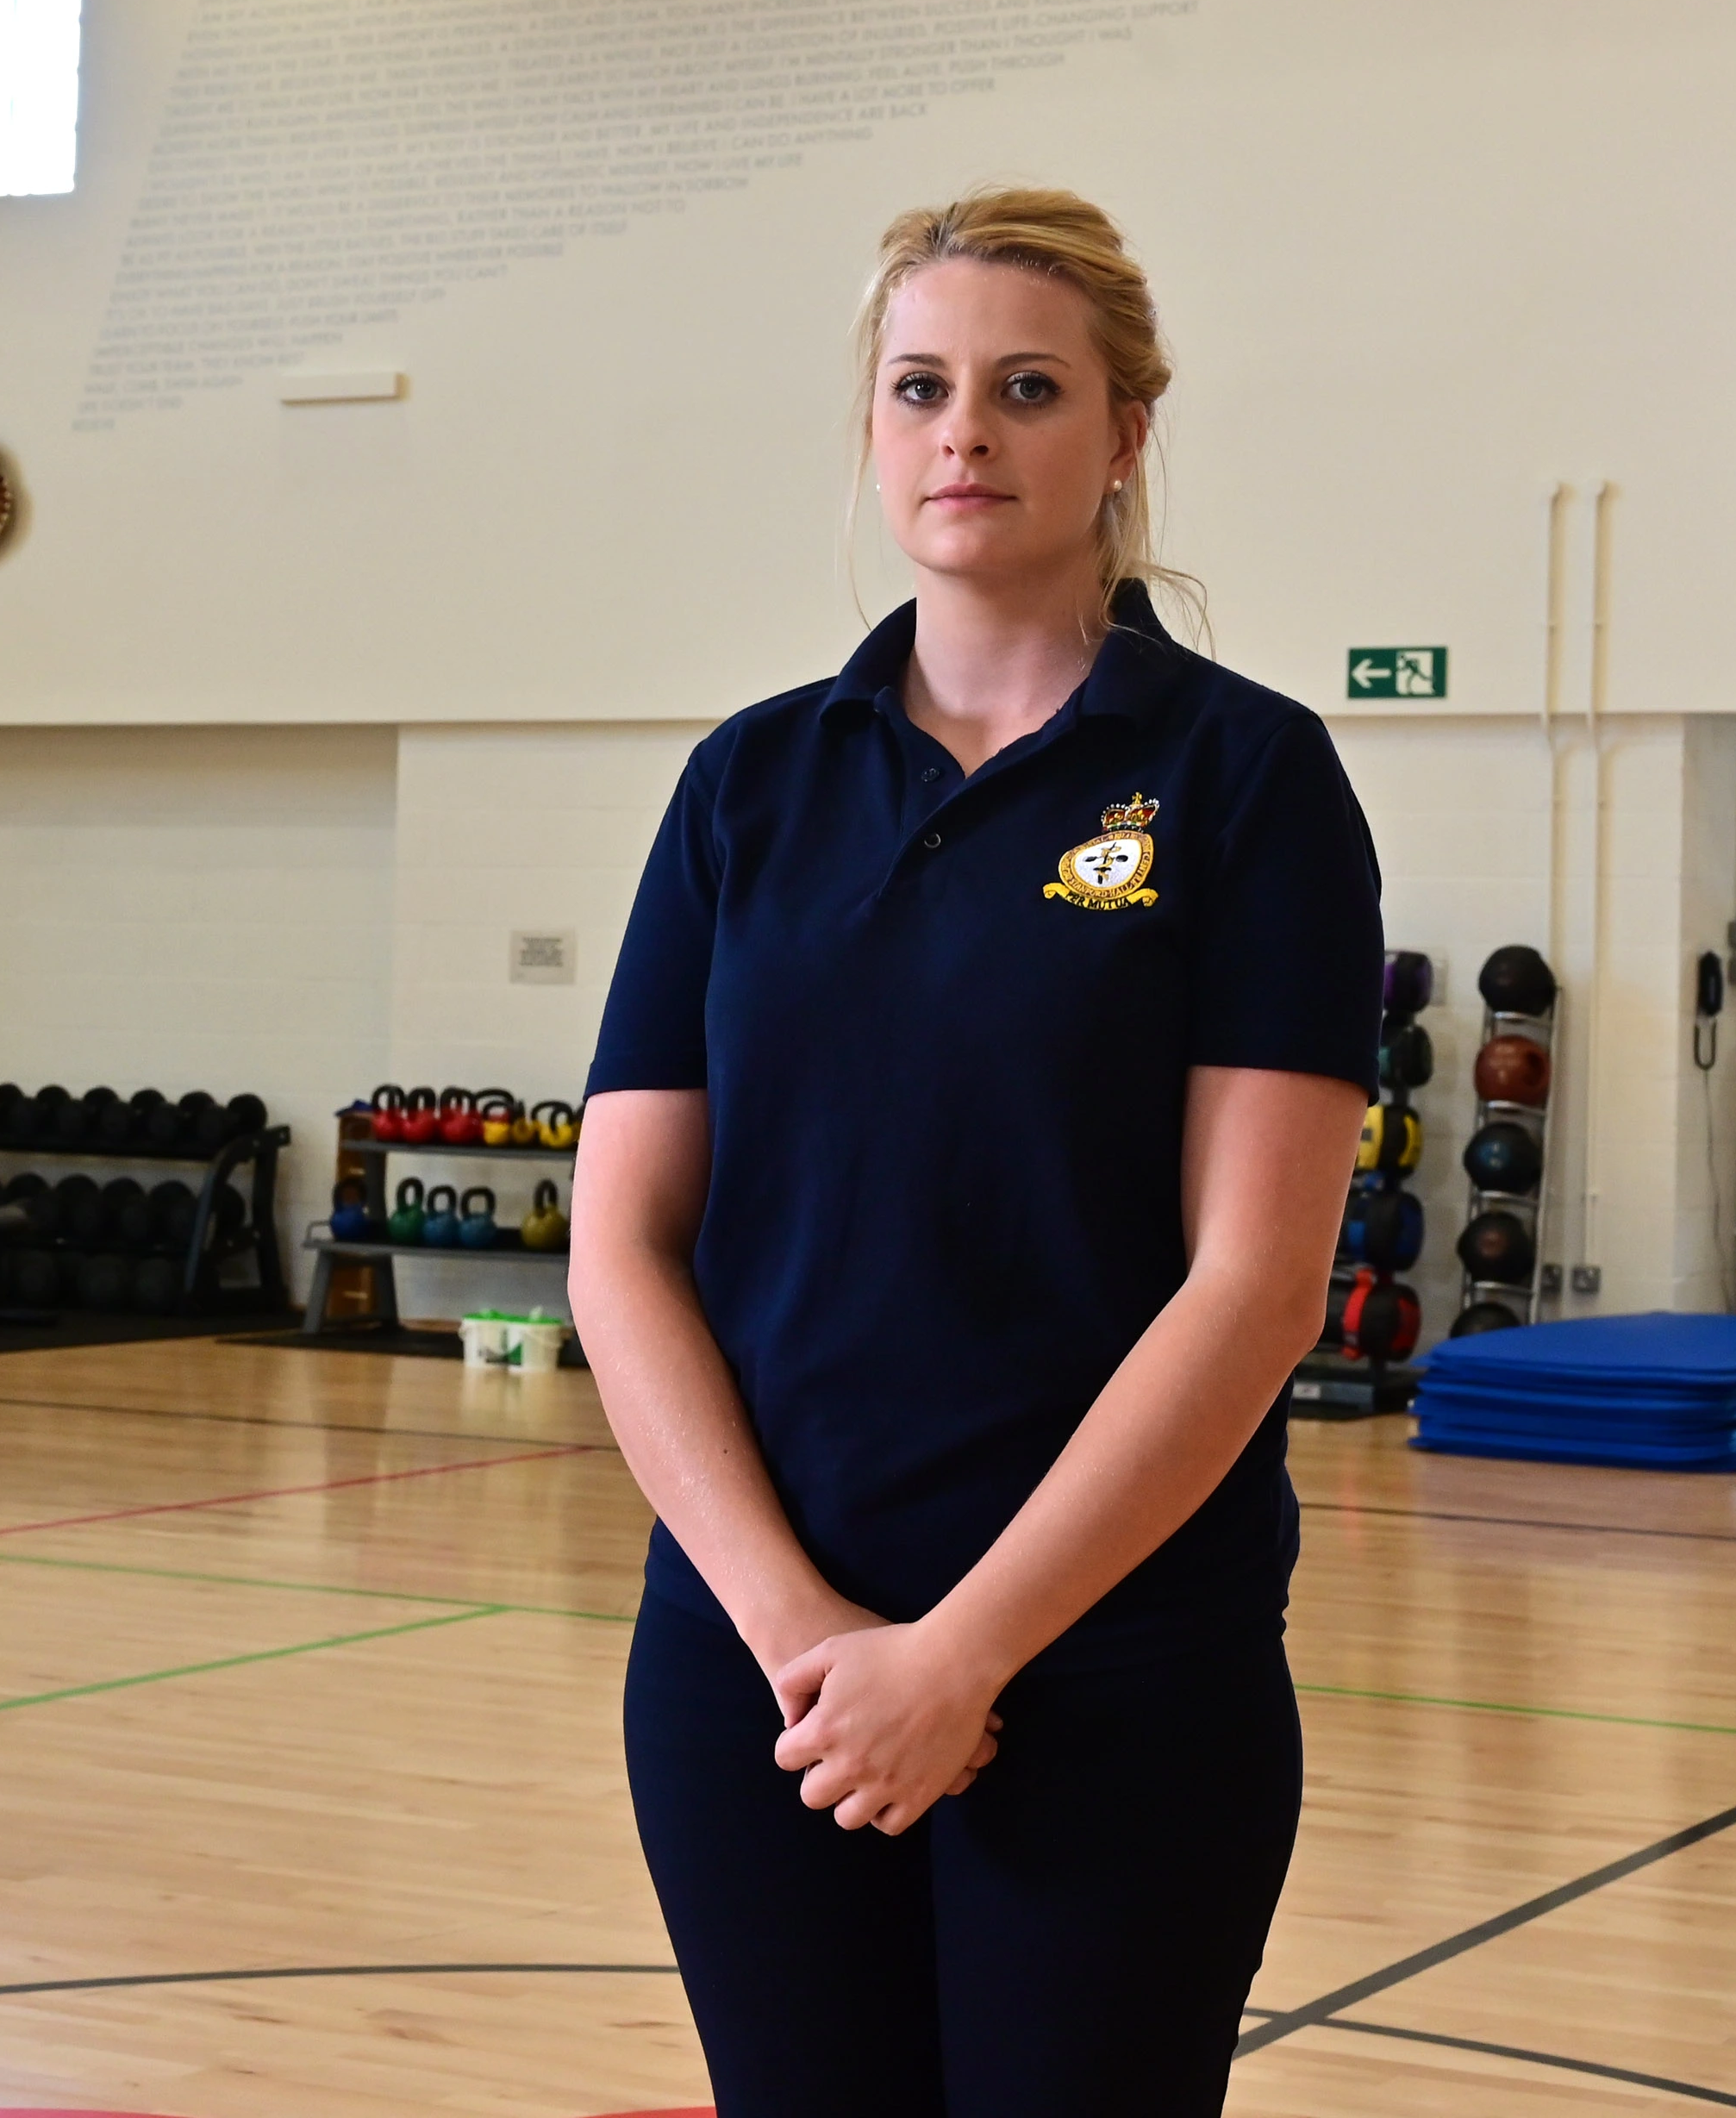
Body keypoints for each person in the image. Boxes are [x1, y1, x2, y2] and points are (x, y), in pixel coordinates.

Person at [570, 188, 1381, 2118]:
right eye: (921, 387)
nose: (966, 433)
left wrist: (963, 1654)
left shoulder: (1246, 778)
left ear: (1124, 433)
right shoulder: (748, 783)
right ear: (873, 428)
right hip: (759, 1677)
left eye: (1028, 388)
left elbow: (1255, 1284)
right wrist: (803, 1632)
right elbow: (623, 1247)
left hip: (1111, 1677)